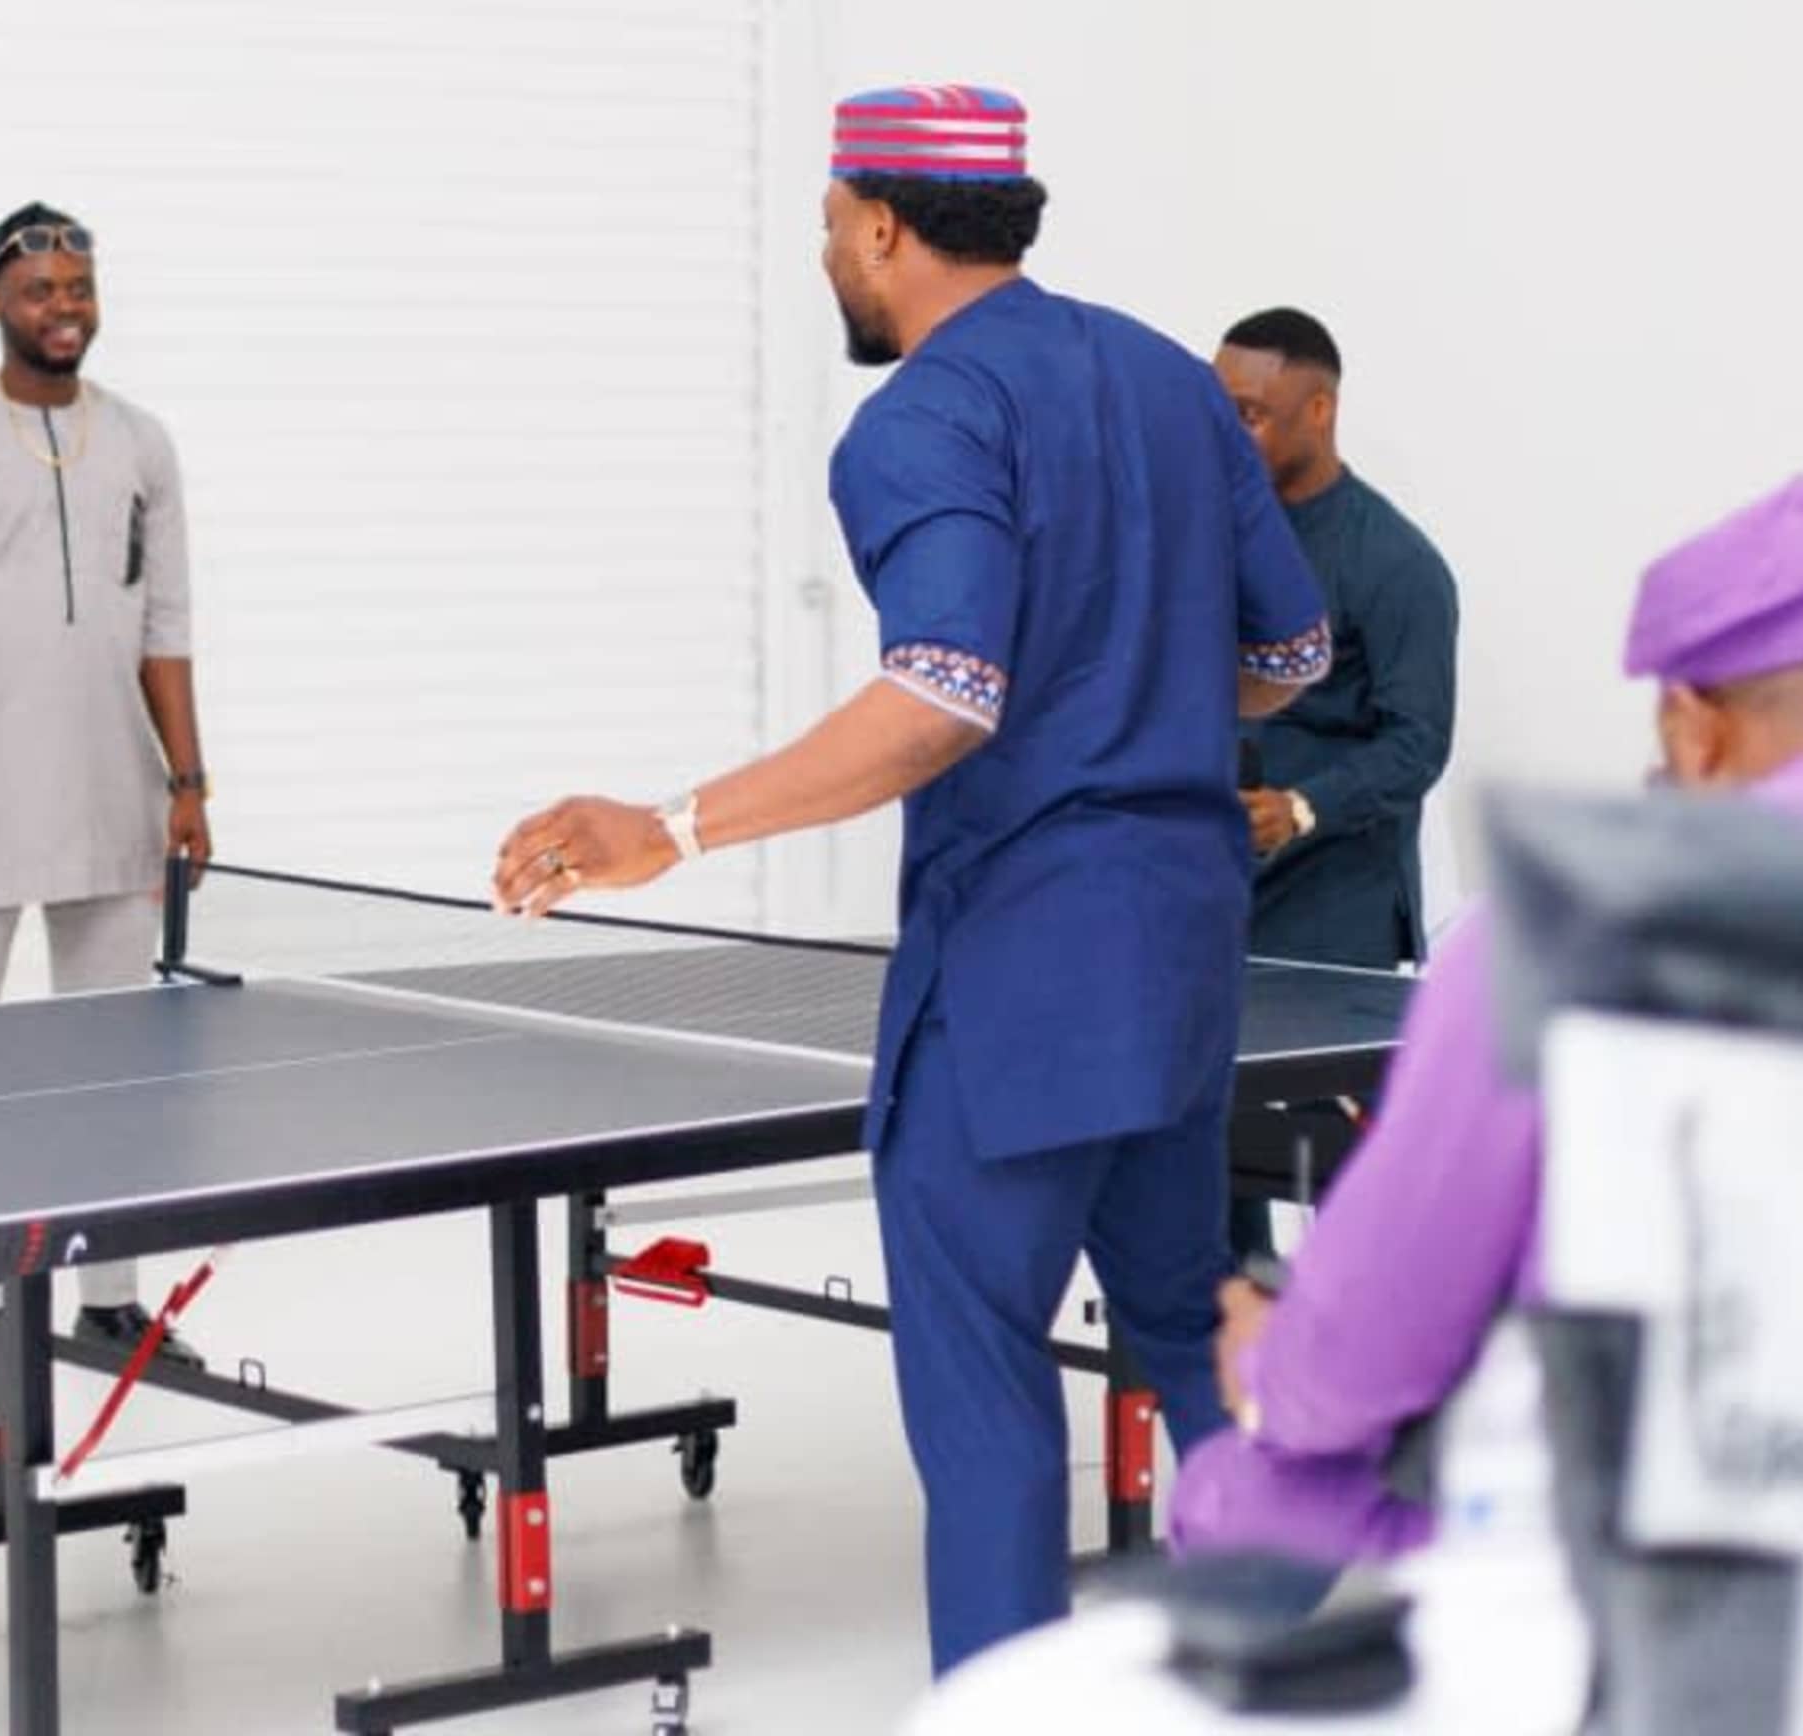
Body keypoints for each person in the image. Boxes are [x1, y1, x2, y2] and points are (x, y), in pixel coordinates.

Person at [491, 85, 1334, 1675]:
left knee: (983, 1381)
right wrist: (1136, 677)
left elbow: (944, 694)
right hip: (1184, 951)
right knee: (1182, 1315)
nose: (828, 255)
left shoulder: (923, 419)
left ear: (881, 225)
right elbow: (1290, 654)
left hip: (1021, 967)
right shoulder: (1168, 378)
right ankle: (1278, 1673)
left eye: (826, 227)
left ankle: (1008, 1713)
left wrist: (666, 825)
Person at [1166, 475, 1803, 1570]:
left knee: (1253, 1492)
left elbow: (1365, 1353)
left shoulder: (1562, 936)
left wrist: (1275, 1359)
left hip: (1666, 1594)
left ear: (1693, 726)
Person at [0, 203, 211, 1360]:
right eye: (40, 290)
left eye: (79, 286)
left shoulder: (142, 441)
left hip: (116, 796)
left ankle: (109, 1296)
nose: (63, 307)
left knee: (110, 1058)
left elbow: (165, 622)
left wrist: (190, 781)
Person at [1211, 308, 1458, 969]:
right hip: (1209, 897)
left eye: (1249, 416)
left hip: (1331, 920)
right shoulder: (1206, 534)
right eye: (1215, 413)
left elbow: (1417, 743)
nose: (1225, 438)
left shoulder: (1396, 564)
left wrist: (1300, 808)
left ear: (1319, 410)